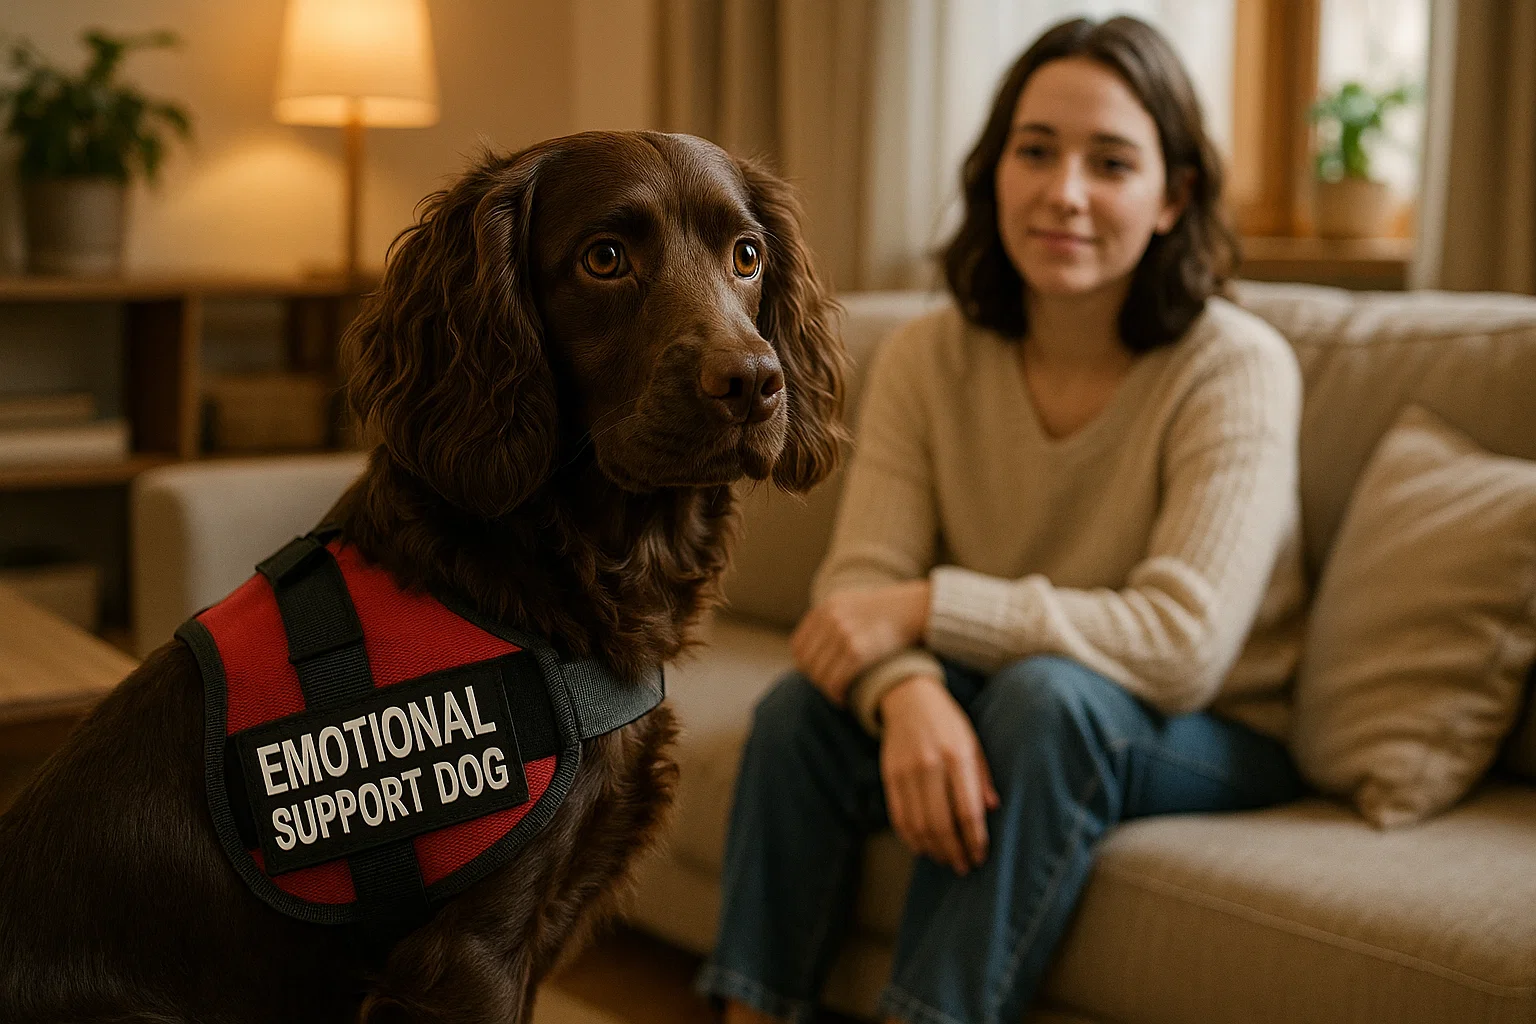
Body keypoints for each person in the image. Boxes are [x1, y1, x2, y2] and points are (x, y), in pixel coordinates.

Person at [696, 14, 1311, 1024]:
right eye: (1036, 152)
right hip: (1010, 686)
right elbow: (856, 593)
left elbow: (1181, 645)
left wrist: (929, 606)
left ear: (1174, 197)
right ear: (995, 172)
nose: (1064, 192)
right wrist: (907, 693)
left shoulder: (1235, 365)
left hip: (1214, 727)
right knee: (801, 713)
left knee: (1045, 701)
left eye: (1111, 162)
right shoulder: (932, 355)